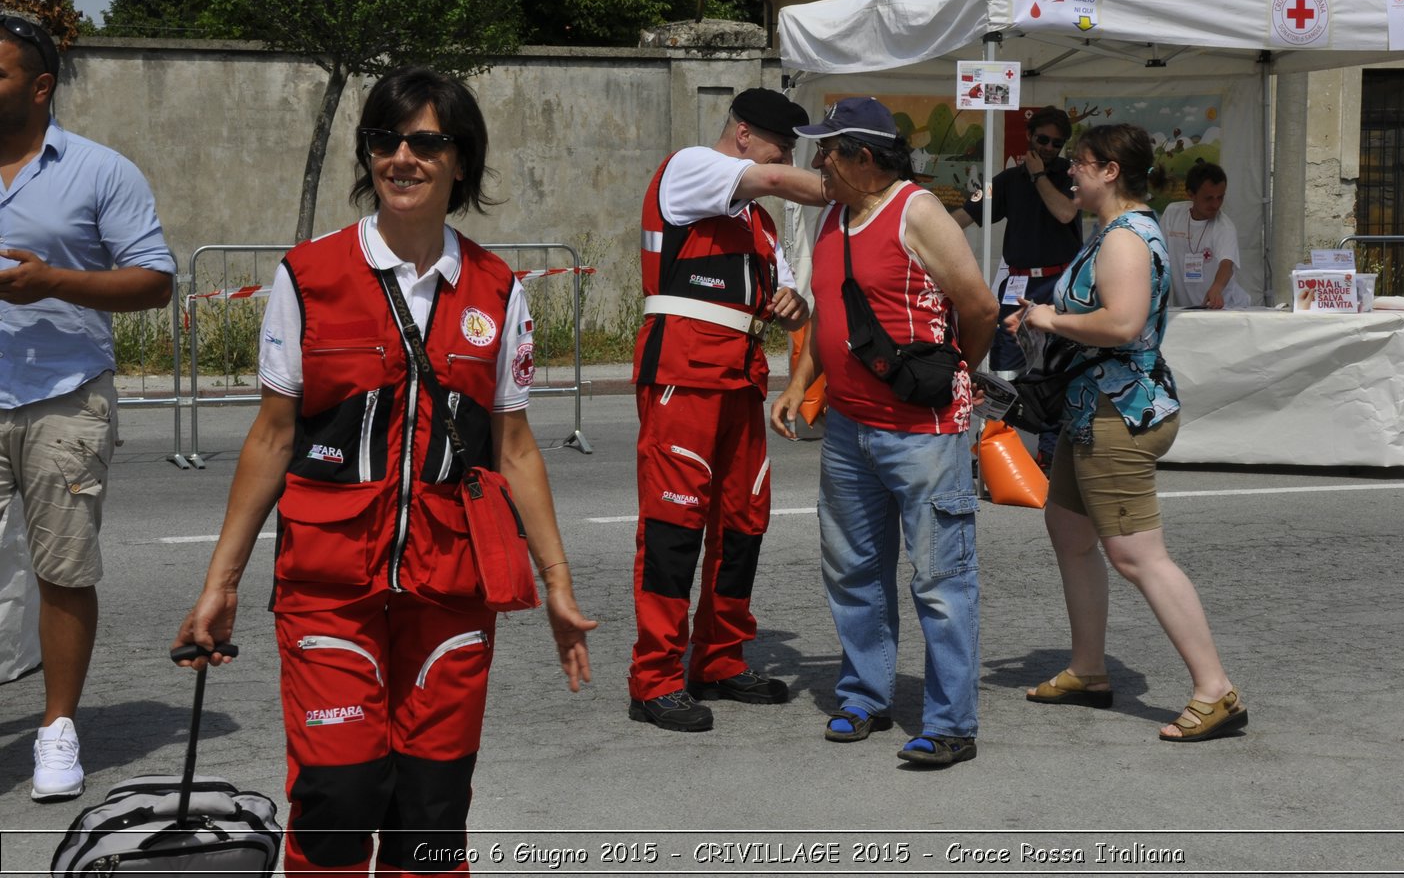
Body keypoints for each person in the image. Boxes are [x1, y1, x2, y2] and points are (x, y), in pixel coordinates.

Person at [174, 66, 595, 872]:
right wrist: (221, 581)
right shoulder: (309, 276)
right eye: (384, 140)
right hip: (329, 586)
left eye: (424, 141)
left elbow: (515, 447)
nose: (401, 157)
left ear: (460, 161)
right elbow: (270, 436)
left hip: (453, 586)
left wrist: (558, 584)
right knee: (338, 795)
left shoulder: (499, 289)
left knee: (432, 812)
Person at [771, 97, 998, 767]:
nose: (818, 165)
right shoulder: (835, 215)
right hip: (849, 428)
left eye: (827, 152)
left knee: (939, 576)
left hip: (922, 431)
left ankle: (951, 721)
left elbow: (979, 305)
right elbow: (828, 313)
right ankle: (865, 695)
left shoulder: (916, 211)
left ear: (863, 158)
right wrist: (798, 381)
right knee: (853, 569)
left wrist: (957, 367)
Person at [1008, 122, 1245, 743]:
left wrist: (1045, 316)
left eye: (1081, 163)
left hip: (1117, 413)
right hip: (1093, 411)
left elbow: (1123, 322)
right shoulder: (1117, 232)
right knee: (1068, 528)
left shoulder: (1127, 238)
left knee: (1137, 555)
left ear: (1111, 170)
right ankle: (1089, 670)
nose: (1071, 173)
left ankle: (1214, 689)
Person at [0, 15, 176, 802]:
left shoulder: (101, 171)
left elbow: (156, 279)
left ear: (40, 87)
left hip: (62, 397)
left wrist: (54, 281)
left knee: (62, 568)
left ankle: (57, 728)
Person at [629, 87, 824, 732]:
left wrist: (794, 304)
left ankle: (719, 658)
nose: (787, 160)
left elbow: (789, 291)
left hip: (740, 377)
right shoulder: (691, 167)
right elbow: (771, 178)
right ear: (743, 135)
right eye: (782, 145)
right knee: (673, 526)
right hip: (681, 372)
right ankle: (654, 678)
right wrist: (854, 185)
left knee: (744, 524)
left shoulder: (760, 224)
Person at [953, 106, 1082, 468]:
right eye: (1043, 139)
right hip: (1019, 280)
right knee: (1007, 363)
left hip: (1057, 280)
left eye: (1057, 143)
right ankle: (1000, 446)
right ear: (1030, 137)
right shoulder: (1006, 180)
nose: (1050, 147)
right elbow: (965, 216)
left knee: (1054, 363)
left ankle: (1052, 450)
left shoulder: (1069, 175)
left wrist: (1040, 176)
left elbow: (1065, 214)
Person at [1158, 159, 1250, 310]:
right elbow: (1158, 256)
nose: (1215, 204)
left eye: (1220, 197)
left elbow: (1227, 264)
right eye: (1208, 198)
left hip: (1226, 308)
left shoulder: (1224, 227)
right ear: (1191, 195)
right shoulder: (1172, 214)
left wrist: (1217, 288)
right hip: (1187, 308)